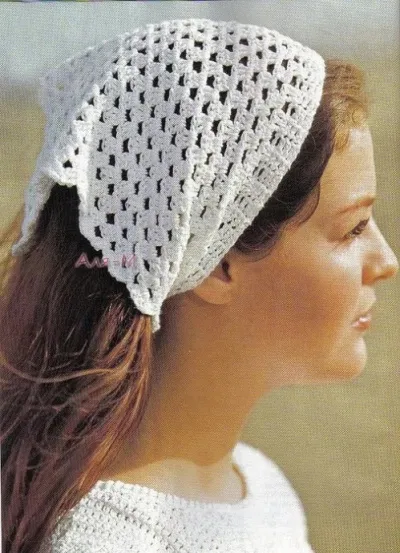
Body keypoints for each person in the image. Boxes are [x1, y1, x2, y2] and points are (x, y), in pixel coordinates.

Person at [0, 18, 398, 553]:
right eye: (352, 228)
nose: (386, 261)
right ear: (216, 262)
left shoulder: (261, 488)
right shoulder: (104, 542)